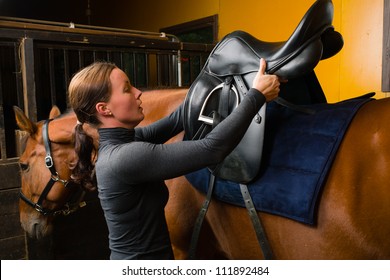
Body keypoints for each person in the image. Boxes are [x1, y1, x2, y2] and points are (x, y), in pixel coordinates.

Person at [68, 58, 281, 260]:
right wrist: (256, 96)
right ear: (104, 109)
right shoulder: (124, 158)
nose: (138, 92)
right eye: (126, 89)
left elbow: (177, 119)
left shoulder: (124, 143)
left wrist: (230, 76)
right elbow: (212, 149)